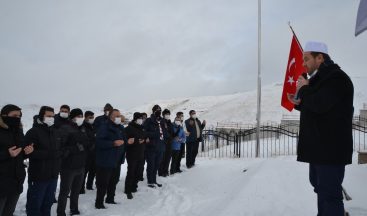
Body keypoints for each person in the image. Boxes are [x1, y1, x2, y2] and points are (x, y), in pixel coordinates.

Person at [288, 41, 354, 216]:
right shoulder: (320, 80)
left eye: (306, 59)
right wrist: (300, 103)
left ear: (320, 58)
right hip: (320, 150)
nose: (303, 63)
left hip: (331, 150)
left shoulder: (336, 78)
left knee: (329, 195)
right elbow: (318, 107)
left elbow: (319, 104)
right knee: (321, 190)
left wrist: (304, 89)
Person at [25, 106, 63, 216]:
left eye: (53, 116)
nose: (51, 118)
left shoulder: (55, 132)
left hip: (53, 176)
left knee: (47, 204)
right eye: (48, 116)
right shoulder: (33, 132)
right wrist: (51, 154)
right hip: (38, 177)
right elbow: (28, 152)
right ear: (42, 117)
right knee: (35, 207)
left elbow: (59, 150)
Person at [0, 104, 33, 216]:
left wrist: (26, 152)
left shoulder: (18, 130)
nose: (17, 118)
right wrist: (6, 154)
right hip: (2, 182)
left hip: (16, 180)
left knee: (9, 211)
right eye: (14, 115)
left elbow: (19, 153)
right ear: (4, 115)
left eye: (19, 116)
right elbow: (10, 154)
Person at [57, 109, 90, 216]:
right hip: (68, 167)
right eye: (79, 116)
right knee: (64, 191)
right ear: (73, 117)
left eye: (82, 115)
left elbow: (86, 143)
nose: (81, 118)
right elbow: (60, 148)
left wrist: (88, 145)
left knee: (76, 191)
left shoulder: (82, 128)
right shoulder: (65, 128)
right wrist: (76, 148)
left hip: (81, 165)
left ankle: (74, 209)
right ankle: (60, 212)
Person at [95, 109, 126, 209]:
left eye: (119, 115)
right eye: (116, 116)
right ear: (111, 117)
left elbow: (122, 140)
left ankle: (110, 199)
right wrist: (113, 143)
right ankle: (99, 203)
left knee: (114, 181)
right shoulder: (104, 127)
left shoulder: (120, 127)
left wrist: (127, 141)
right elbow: (98, 142)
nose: (118, 117)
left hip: (117, 160)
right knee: (103, 183)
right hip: (105, 160)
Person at [124, 112, 147, 199]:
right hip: (132, 154)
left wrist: (145, 140)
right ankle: (128, 189)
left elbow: (144, 137)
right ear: (135, 119)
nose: (141, 120)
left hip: (141, 153)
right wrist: (137, 141)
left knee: (138, 172)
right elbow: (126, 141)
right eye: (140, 118)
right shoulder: (128, 128)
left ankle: (134, 186)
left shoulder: (142, 128)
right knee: (131, 172)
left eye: (142, 118)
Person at [144, 105, 167, 188]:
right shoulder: (148, 121)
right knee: (151, 165)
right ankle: (150, 181)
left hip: (160, 146)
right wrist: (154, 134)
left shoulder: (162, 121)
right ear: (153, 111)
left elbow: (164, 132)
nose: (159, 111)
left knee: (157, 165)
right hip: (151, 147)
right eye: (157, 110)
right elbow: (144, 132)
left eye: (160, 110)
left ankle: (154, 180)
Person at [80, 111, 96, 192]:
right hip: (86, 153)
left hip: (94, 153)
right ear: (85, 117)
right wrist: (92, 144)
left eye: (93, 117)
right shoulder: (83, 127)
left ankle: (89, 185)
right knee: (84, 171)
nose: (92, 119)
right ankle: (81, 188)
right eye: (90, 117)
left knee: (93, 170)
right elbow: (84, 140)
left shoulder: (93, 126)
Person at [158, 109, 174, 177]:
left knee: (168, 157)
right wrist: (169, 135)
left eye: (168, 114)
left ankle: (166, 170)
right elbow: (163, 132)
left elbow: (172, 131)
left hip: (169, 142)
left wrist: (172, 136)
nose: (168, 115)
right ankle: (161, 172)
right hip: (163, 142)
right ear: (163, 115)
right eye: (166, 114)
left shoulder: (169, 122)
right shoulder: (161, 122)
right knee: (163, 158)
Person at [137, 112, 148, 181]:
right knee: (138, 163)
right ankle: (137, 175)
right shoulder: (138, 126)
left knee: (142, 163)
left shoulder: (146, 126)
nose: (144, 119)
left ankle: (140, 175)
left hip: (145, 147)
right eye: (142, 117)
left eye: (145, 117)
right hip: (137, 147)